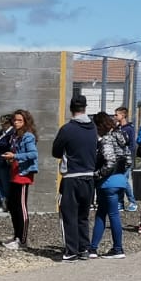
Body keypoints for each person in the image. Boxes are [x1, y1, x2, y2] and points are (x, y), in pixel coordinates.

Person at [51, 95, 98, 261]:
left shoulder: (67, 129)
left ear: (71, 108)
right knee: (83, 215)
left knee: (68, 214)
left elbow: (55, 151)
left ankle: (71, 251)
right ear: (85, 108)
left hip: (71, 176)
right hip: (89, 176)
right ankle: (84, 248)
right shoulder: (93, 128)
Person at [90, 111, 130, 259]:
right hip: (120, 180)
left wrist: (97, 174)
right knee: (107, 213)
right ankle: (94, 248)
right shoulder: (121, 137)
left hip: (107, 181)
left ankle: (116, 249)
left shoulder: (106, 139)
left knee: (106, 215)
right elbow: (128, 160)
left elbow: (109, 161)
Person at [0, 109, 38, 250]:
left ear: (26, 122)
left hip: (23, 174)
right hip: (14, 172)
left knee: (21, 207)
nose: (16, 123)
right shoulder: (14, 136)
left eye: (19, 120)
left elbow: (33, 154)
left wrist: (15, 157)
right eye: (14, 120)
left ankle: (23, 240)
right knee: (13, 206)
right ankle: (17, 236)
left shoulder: (28, 136)